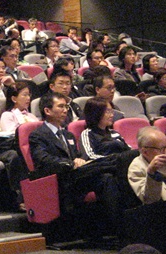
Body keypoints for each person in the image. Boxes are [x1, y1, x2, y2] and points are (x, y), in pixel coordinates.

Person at [29, 91, 124, 227]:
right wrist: (71, 163)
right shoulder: (37, 135)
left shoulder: (68, 135)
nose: (65, 110)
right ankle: (119, 228)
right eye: (61, 107)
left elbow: (77, 156)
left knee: (108, 177)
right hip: (58, 178)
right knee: (107, 171)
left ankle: (115, 227)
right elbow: (43, 159)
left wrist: (80, 161)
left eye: (66, 107)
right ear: (47, 110)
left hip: (75, 177)